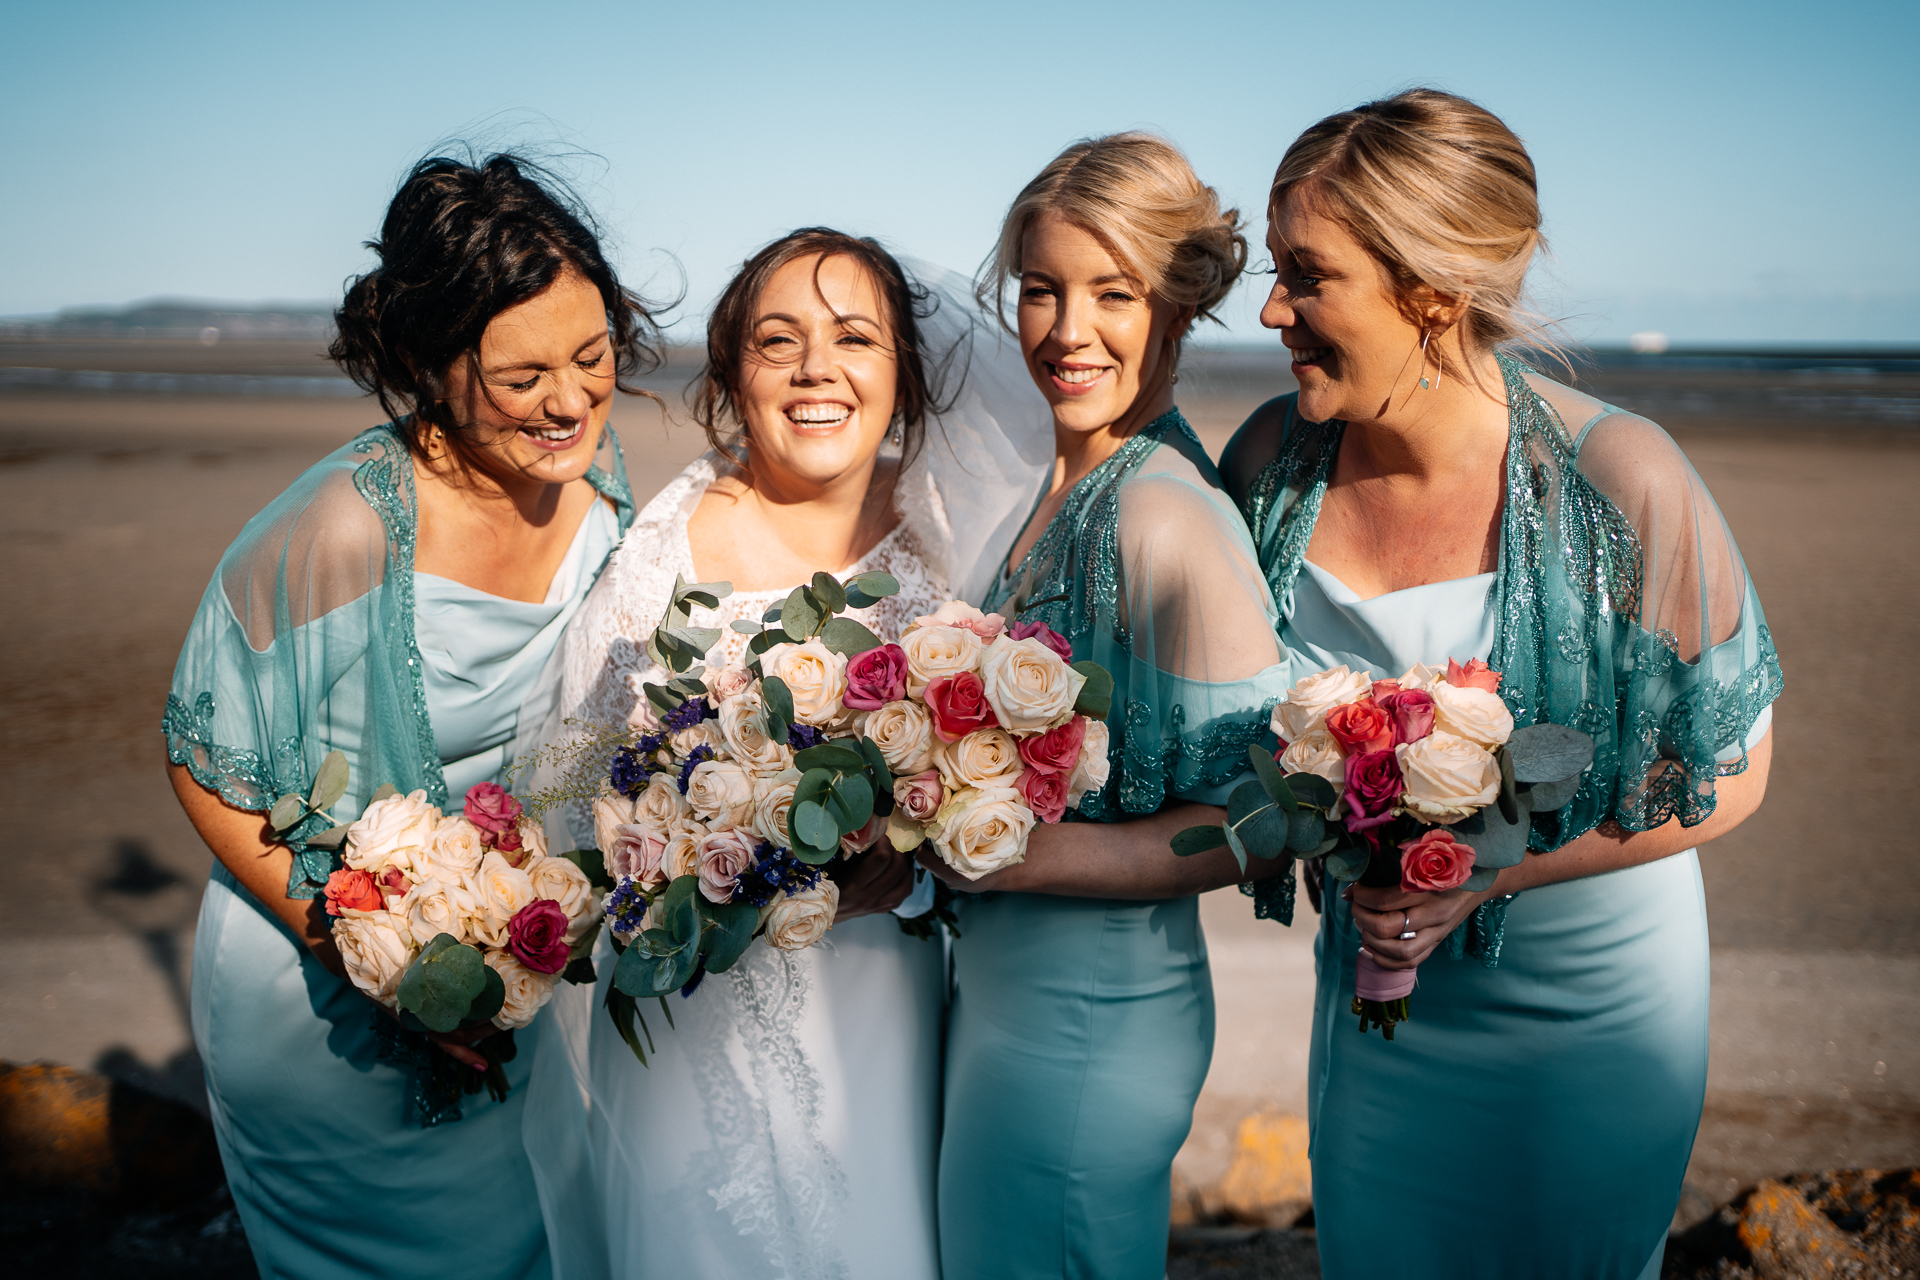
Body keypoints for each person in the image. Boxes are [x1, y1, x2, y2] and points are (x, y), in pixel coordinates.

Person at [1217, 88, 1782, 1280]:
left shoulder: (1617, 478)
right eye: (1274, 270)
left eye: (1307, 276)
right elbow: (1226, 723)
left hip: (1590, 1016)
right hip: (1383, 1009)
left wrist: (1491, 869)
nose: (1271, 309)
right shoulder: (1273, 464)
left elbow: (1734, 778)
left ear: (1431, 292)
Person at [164, 152, 658, 1279]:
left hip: (504, 969)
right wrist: (378, 956)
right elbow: (201, 757)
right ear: (431, 365)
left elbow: (588, 713)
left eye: (593, 354)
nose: (574, 400)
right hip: (319, 999)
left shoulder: (598, 477)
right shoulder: (340, 529)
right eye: (525, 373)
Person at [524, 228, 1051, 1280]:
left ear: (902, 373)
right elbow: (573, 779)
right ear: (732, 374)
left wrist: (919, 851)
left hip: (879, 995)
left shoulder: (958, 537)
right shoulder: (664, 545)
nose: (818, 367)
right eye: (779, 340)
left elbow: (993, 775)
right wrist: (660, 846)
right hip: (690, 1004)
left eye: (855, 337)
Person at [918, 133, 1293, 1280]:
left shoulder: (1167, 515)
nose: (1067, 330)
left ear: (1177, 303)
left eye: (1112, 292)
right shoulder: (1067, 473)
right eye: (1041, 289)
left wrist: (1015, 857)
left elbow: (1256, 823)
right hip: (1009, 997)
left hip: (1091, 1016)